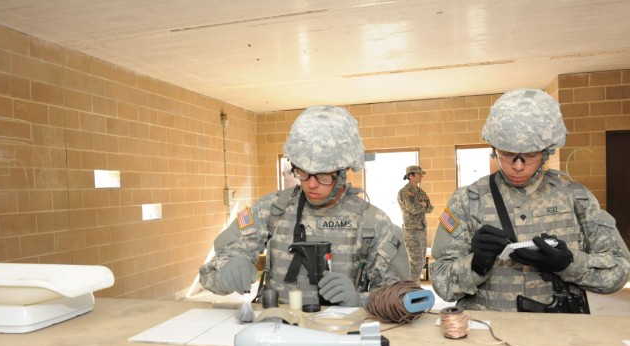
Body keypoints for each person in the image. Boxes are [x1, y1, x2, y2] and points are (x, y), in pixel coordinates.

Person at [430, 88, 630, 312]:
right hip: (487, 333)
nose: (517, 165)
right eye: (506, 153)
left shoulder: (577, 198)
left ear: (547, 152)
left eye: (530, 155)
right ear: (494, 150)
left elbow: (619, 272)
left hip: (558, 331)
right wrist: (475, 264)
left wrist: (569, 264)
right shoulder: (467, 201)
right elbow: (441, 283)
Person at [199, 105, 409, 307]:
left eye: (323, 175)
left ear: (343, 171)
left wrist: (361, 300)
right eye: (302, 172)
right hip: (278, 329)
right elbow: (209, 274)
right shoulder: (272, 210)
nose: (311, 184)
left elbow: (401, 298)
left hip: (342, 333)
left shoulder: (373, 222)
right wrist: (227, 271)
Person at [397, 166, 434, 282]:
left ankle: (414, 285)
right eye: (419, 174)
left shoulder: (420, 191)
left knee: (421, 261)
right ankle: (411, 287)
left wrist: (423, 205)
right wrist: (422, 205)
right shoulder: (405, 192)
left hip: (421, 229)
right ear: (411, 176)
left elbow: (430, 208)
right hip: (411, 231)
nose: (421, 176)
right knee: (415, 261)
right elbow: (413, 209)